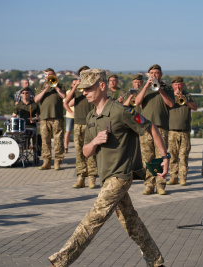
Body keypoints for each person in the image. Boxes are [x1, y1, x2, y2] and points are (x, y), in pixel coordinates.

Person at [48, 69, 167, 267]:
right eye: (82, 89)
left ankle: (61, 261)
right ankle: (156, 261)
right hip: (106, 177)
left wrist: (165, 156)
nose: (84, 92)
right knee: (131, 222)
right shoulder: (91, 117)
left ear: (102, 86)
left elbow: (150, 127)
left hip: (121, 176)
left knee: (94, 218)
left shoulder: (121, 111)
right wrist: (94, 141)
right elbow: (86, 152)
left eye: (88, 88)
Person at [134, 64, 174, 195]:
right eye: (151, 73)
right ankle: (149, 185)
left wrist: (160, 90)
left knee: (161, 158)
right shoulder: (144, 88)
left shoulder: (167, 88)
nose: (154, 75)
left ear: (161, 74)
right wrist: (146, 86)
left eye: (156, 73)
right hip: (145, 128)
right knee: (147, 158)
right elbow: (137, 102)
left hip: (161, 127)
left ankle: (161, 185)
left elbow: (171, 104)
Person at [64, 66, 98, 189]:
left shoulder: (94, 86)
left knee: (92, 151)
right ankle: (81, 177)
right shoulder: (78, 89)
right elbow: (66, 102)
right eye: (81, 74)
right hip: (78, 123)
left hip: (91, 123)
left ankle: (92, 177)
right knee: (79, 152)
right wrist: (75, 87)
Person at [166, 77, 197, 186]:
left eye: (180, 85)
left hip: (185, 132)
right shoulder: (169, 97)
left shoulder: (188, 96)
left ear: (183, 85)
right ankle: (173, 177)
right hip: (171, 131)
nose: (178, 87)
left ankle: (183, 178)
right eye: (175, 85)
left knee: (183, 156)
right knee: (172, 156)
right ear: (172, 86)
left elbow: (195, 108)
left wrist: (186, 100)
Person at [34, 68, 66, 171]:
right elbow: (36, 99)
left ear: (55, 75)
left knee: (58, 141)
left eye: (51, 75)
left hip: (57, 117)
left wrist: (56, 87)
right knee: (45, 140)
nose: (49, 77)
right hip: (44, 117)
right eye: (47, 75)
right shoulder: (40, 86)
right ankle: (46, 162)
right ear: (45, 76)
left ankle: (57, 162)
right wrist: (45, 89)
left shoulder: (60, 86)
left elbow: (63, 96)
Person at [12, 87, 40, 162]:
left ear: (30, 94)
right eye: (23, 93)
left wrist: (35, 120)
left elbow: (39, 116)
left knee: (36, 140)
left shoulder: (34, 105)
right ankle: (18, 155)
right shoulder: (18, 106)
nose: (25, 95)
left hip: (32, 127)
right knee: (19, 141)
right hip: (21, 128)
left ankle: (36, 155)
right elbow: (13, 116)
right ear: (21, 94)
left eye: (27, 93)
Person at [63, 80, 76, 153]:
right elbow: (65, 104)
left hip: (79, 115)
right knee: (68, 131)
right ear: (71, 85)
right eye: (74, 84)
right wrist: (71, 112)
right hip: (70, 115)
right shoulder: (68, 92)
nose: (75, 85)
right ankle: (66, 147)